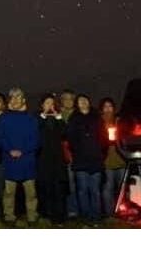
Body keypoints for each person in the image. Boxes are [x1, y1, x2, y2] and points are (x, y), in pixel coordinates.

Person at [0, 87, 39, 226]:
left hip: (27, 160)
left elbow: (36, 140)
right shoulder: (4, 118)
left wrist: (23, 151)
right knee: (9, 193)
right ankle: (9, 217)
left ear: (23, 100)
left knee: (30, 193)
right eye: (12, 98)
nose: (15, 100)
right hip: (10, 160)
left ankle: (32, 217)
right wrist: (9, 150)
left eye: (18, 97)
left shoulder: (31, 119)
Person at [66, 94, 105, 222]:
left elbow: (104, 137)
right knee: (82, 190)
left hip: (96, 158)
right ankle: (85, 217)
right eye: (80, 101)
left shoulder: (97, 117)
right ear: (77, 104)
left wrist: (101, 152)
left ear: (89, 102)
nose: (83, 102)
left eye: (85, 100)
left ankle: (96, 217)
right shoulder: (73, 118)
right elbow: (70, 138)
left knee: (95, 190)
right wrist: (77, 150)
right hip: (80, 159)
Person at [37, 93, 68, 226]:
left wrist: (58, 117)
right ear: (42, 105)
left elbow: (65, 133)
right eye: (47, 103)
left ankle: (59, 217)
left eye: (52, 103)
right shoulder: (37, 118)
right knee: (45, 188)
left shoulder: (58, 119)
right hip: (43, 159)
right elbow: (35, 131)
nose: (50, 105)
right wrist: (43, 115)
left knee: (58, 189)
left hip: (58, 160)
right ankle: (46, 214)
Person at [99, 97, 126, 216]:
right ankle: (109, 213)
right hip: (107, 161)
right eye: (105, 106)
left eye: (110, 106)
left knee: (122, 188)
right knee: (108, 188)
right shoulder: (98, 122)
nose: (108, 109)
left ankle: (123, 211)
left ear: (114, 108)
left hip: (121, 159)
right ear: (102, 109)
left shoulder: (119, 121)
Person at [59, 88, 78, 219]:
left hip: (77, 154)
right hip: (60, 155)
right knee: (66, 184)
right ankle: (69, 210)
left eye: (70, 99)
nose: (68, 101)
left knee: (78, 184)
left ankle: (77, 210)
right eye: (65, 98)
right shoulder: (56, 114)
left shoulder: (78, 114)